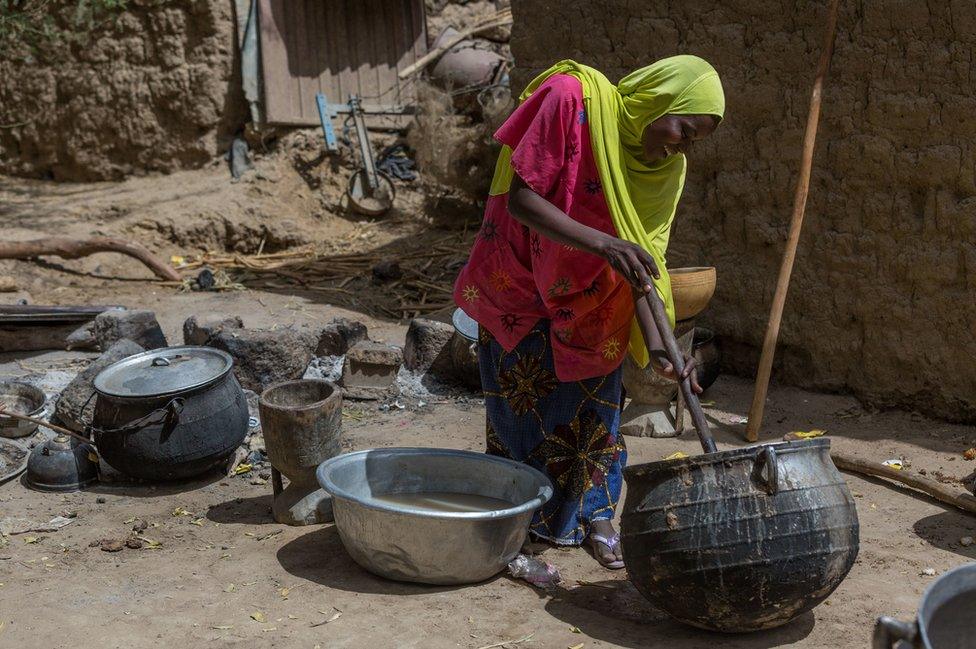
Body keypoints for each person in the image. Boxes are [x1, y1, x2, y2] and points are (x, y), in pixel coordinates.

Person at [452, 56, 725, 569]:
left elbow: (645, 261)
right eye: (683, 129)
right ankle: (517, 536)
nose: (682, 146)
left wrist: (665, 351)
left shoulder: (667, 167)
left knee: (598, 413)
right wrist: (607, 245)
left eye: (694, 141)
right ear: (658, 100)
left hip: (599, 295)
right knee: (521, 412)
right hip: (524, 280)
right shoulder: (570, 100)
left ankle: (596, 517)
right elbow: (522, 200)